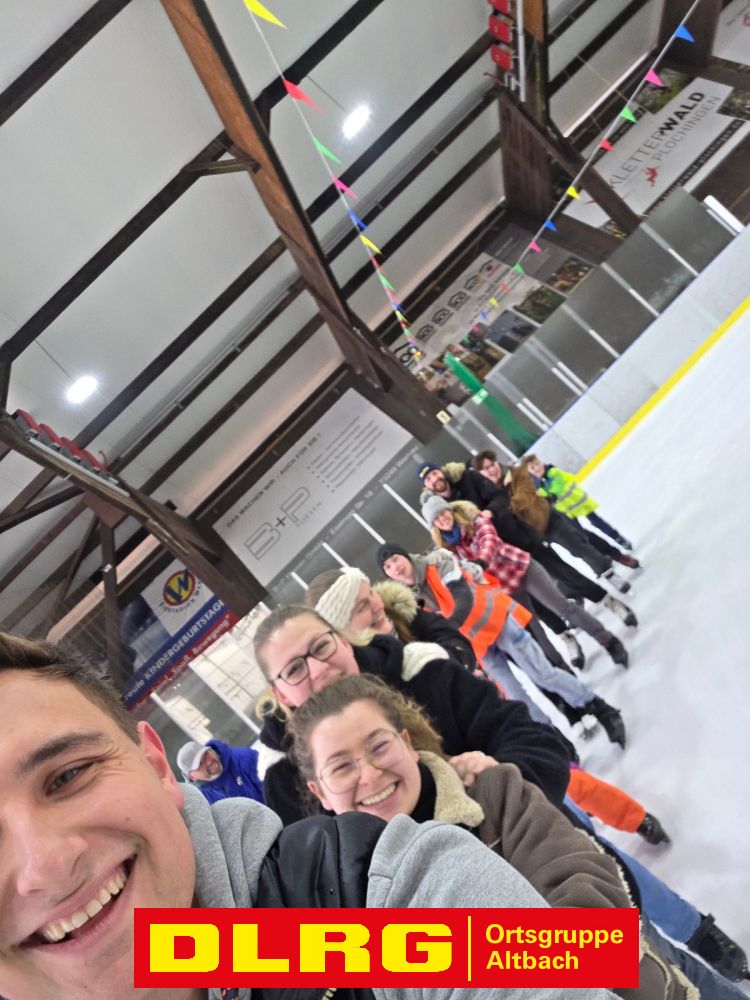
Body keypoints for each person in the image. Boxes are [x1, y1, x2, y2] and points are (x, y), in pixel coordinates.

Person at [0, 629, 622, 1000]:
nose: (46, 866)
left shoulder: (373, 887)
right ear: (318, 791)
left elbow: (591, 959)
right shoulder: (293, 804)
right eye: (342, 767)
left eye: (67, 775)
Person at [286, 674, 736, 1000]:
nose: (369, 774)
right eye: (341, 766)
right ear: (319, 792)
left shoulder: (492, 794)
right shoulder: (337, 906)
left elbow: (597, 923)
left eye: (379, 745)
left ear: (406, 741)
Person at [304, 566, 669, 845]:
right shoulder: (355, 696)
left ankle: (636, 819)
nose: (375, 605)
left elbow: (454, 641)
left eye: (370, 593)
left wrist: (440, 663)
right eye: (360, 606)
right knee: (565, 825)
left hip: (492, 726)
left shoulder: (408, 617)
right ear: (341, 634)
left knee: (571, 783)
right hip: (464, 784)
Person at [252, 604, 573, 824]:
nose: (319, 669)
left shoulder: (423, 671)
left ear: (344, 642)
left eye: (322, 646)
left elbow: (537, 745)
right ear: (280, 694)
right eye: (294, 669)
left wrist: (499, 781)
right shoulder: (283, 775)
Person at [471, 451, 639, 581]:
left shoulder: (515, 474)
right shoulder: (487, 493)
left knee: (581, 540)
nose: (492, 469)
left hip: (549, 518)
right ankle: (578, 593)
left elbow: (528, 492)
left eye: (492, 464)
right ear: (480, 473)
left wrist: (504, 505)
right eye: (486, 468)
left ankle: (614, 559)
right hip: (532, 533)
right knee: (561, 565)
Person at [525, 454, 634, 550]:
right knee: (580, 534)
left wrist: (552, 495)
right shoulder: (538, 485)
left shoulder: (553, 472)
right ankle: (604, 552)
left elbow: (558, 485)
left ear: (541, 463)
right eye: (532, 468)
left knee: (597, 522)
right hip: (567, 511)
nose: (536, 468)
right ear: (529, 472)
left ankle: (618, 538)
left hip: (578, 502)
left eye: (537, 464)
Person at [176, 737, 264, 805]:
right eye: (200, 764)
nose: (209, 761)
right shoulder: (203, 800)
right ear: (192, 777)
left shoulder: (244, 758)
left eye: (206, 754)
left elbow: (271, 790)